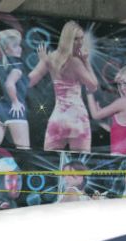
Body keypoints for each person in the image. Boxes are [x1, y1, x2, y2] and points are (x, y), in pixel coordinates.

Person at [29, 21, 98, 152]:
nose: (80, 42)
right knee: (79, 164)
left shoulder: (51, 58)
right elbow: (93, 86)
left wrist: (43, 61)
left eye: (81, 38)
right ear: (68, 40)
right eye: (76, 39)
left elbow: (29, 81)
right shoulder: (76, 62)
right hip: (78, 119)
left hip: (59, 118)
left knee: (50, 162)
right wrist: (86, 61)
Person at [0, 29, 31, 149]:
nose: (19, 48)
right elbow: (9, 84)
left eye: (19, 45)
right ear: (7, 50)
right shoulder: (18, 65)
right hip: (15, 112)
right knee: (24, 152)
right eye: (15, 46)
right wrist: (15, 102)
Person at [86, 66, 126, 156]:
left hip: (120, 154)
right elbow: (122, 131)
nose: (122, 88)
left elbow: (95, 115)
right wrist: (101, 120)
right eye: (119, 84)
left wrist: (89, 92)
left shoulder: (123, 102)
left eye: (125, 83)